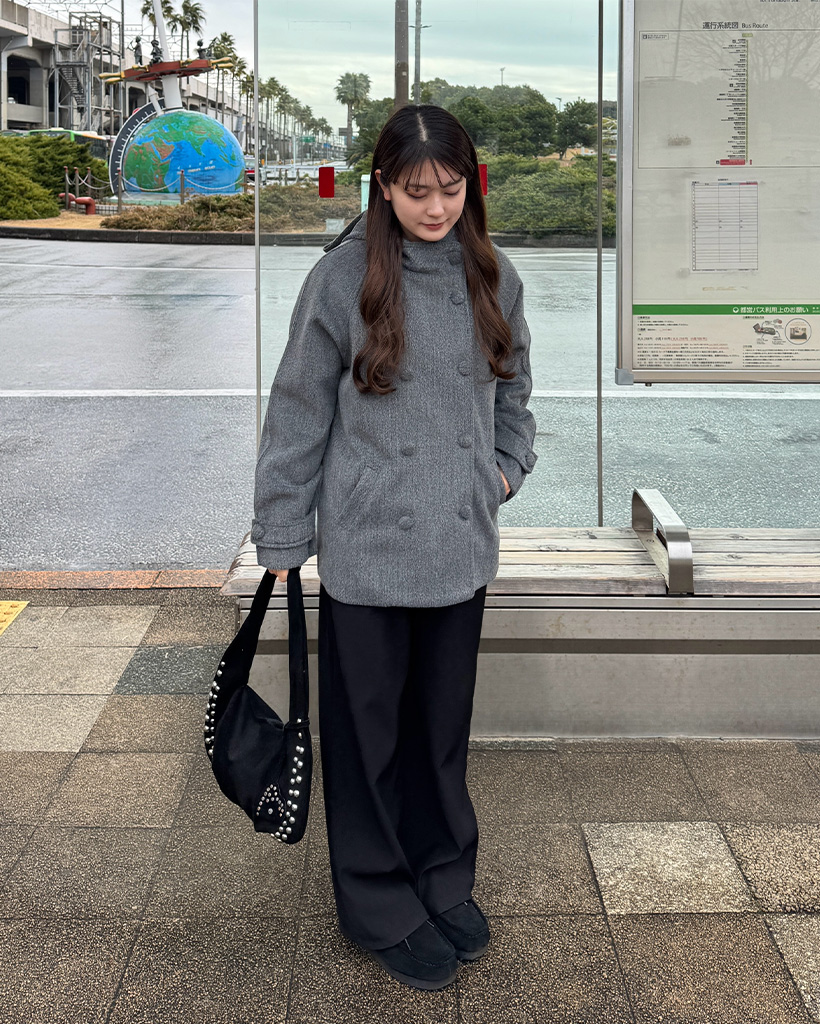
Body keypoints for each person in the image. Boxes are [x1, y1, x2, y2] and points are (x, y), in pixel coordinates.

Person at [251, 104, 538, 990]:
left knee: (440, 733)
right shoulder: (343, 278)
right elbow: (298, 410)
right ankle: (378, 900)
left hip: (459, 544)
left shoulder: (493, 274)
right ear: (383, 186)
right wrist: (282, 528)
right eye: (417, 191)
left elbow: (517, 394)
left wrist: (500, 473)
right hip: (369, 548)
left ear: (469, 186)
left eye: (450, 189)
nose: (436, 207)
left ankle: (443, 877)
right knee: (368, 739)